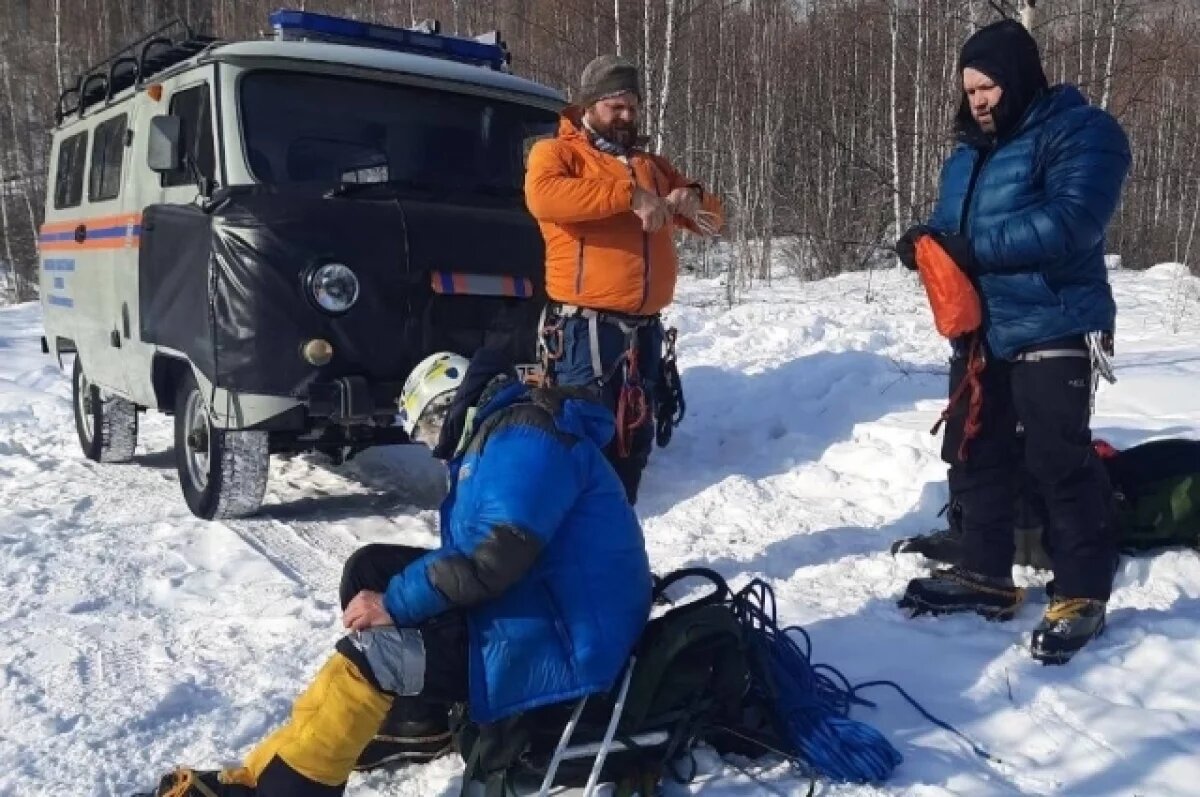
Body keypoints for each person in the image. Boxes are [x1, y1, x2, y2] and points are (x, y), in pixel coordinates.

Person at [136, 349, 653, 796]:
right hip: (545, 602)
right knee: (371, 569)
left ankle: (287, 786)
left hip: (567, 639)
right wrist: (393, 593)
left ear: (451, 403)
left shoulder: (525, 440)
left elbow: (491, 559)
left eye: (430, 425)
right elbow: (486, 554)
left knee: (374, 652)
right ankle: (408, 721)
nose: (433, 443)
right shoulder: (504, 434)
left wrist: (394, 605)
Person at [894, 19, 1131, 664]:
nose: (978, 99)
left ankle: (1082, 591)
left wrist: (969, 249)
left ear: (1020, 77)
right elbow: (953, 228)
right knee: (974, 455)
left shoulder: (1084, 133)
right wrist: (927, 244)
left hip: (1053, 318)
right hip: (980, 331)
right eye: (969, 88)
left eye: (989, 84)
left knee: (1059, 461)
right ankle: (985, 574)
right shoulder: (968, 153)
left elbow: (1071, 222)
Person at [525, 54, 723, 505]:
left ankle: (615, 547)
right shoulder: (556, 154)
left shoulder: (651, 165)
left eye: (633, 106)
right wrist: (629, 195)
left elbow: (715, 218)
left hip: (643, 333)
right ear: (590, 106)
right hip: (583, 331)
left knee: (631, 445)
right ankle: (572, 554)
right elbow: (545, 198)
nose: (626, 116)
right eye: (616, 106)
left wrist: (691, 197)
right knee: (581, 443)